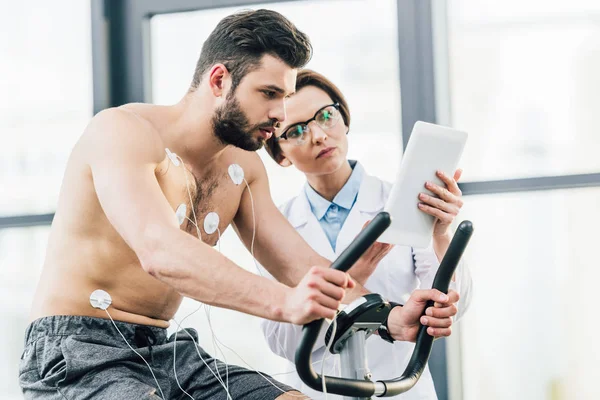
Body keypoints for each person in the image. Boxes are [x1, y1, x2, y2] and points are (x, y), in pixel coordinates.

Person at [19, 9, 460, 400]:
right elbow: (160, 250)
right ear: (218, 80)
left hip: (166, 349)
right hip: (76, 350)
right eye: (270, 94)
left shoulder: (243, 166)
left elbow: (302, 267)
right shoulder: (122, 131)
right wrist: (287, 303)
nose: (282, 115)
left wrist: (389, 317)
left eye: (285, 98)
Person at [262, 69, 473, 399]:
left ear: (344, 119)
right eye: (297, 131)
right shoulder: (274, 225)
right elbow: (281, 340)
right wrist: (351, 278)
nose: (318, 135)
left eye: (326, 116)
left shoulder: (402, 201)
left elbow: (451, 304)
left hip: (399, 390)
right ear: (280, 154)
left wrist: (441, 234)